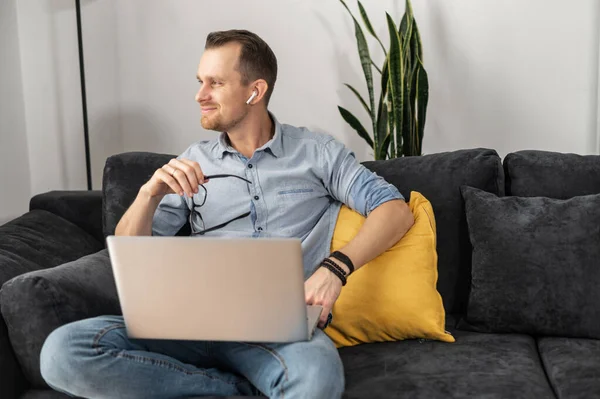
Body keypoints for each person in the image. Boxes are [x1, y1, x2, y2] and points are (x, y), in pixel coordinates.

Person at [39, 29, 414, 399]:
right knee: (62, 352)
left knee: (317, 378)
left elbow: (395, 210)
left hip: (276, 334)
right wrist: (148, 194)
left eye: (215, 83)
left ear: (255, 91)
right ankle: (230, 391)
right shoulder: (192, 160)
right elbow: (130, 252)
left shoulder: (317, 152)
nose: (199, 95)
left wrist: (335, 269)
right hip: (185, 325)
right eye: (200, 81)